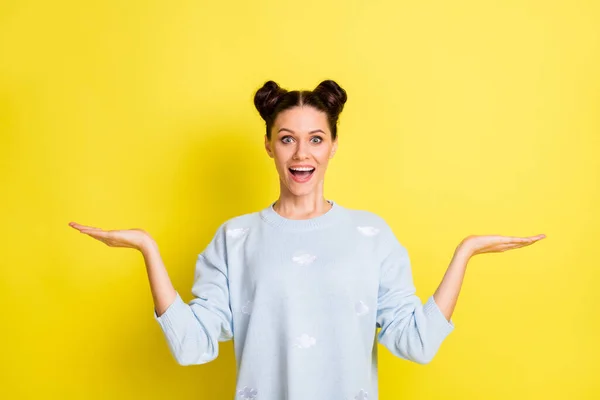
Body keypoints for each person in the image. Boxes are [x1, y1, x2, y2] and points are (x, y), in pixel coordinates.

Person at [69, 79, 546, 400]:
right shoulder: (236, 237)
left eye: (316, 139)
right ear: (269, 145)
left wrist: (465, 252)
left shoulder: (371, 234)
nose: (302, 153)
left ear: (334, 145)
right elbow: (194, 345)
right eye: (287, 138)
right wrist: (148, 250)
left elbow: (415, 343)